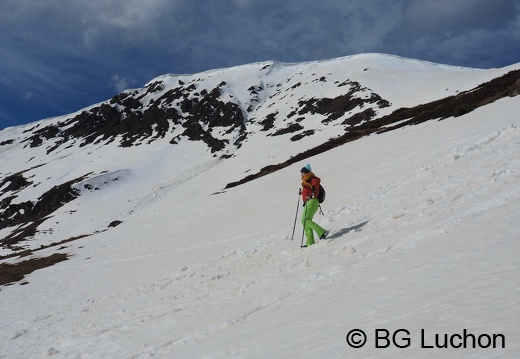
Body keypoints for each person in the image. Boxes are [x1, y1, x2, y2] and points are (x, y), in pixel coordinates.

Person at [300, 164, 330, 247]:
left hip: (313, 201)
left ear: (306, 173)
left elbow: (315, 191)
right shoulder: (306, 180)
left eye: (302, 173)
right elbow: (308, 191)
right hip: (308, 202)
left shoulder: (313, 179)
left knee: (305, 220)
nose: (301, 174)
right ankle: (310, 242)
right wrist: (302, 193)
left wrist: (311, 196)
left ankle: (322, 232)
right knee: (305, 221)